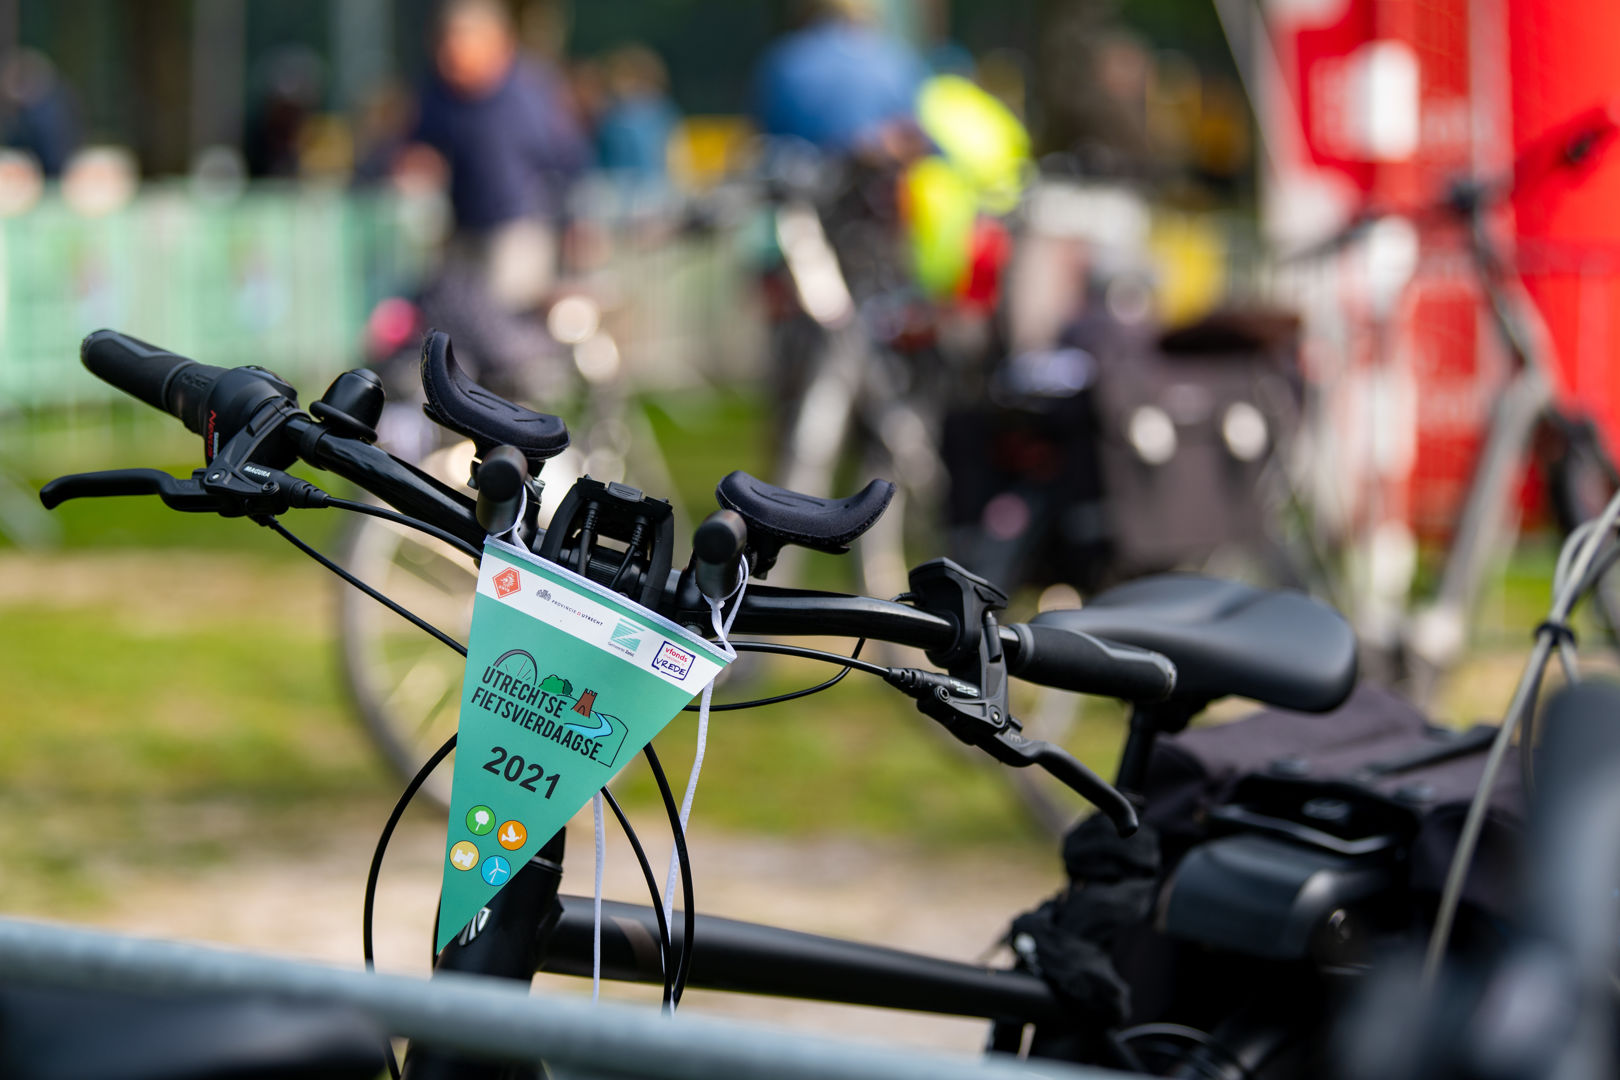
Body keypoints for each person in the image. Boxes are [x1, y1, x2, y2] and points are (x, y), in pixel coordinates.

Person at [409, 0, 588, 311]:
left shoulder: (531, 92)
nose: (448, 55)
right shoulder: (438, 95)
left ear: (494, 42)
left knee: (509, 321)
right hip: (462, 233)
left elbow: (569, 160)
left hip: (520, 232)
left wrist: (575, 221)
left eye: (459, 42)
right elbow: (420, 148)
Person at [752, 0, 926, 157]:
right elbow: (919, 138)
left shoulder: (786, 58)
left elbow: (764, 134)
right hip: (874, 186)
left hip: (801, 183)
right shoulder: (897, 60)